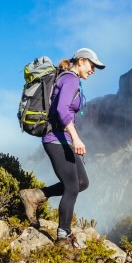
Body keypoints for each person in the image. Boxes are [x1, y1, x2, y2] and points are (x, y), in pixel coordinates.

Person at [19, 47, 105, 247]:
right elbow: (60, 109)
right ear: (81, 61)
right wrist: (76, 138)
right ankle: (62, 237)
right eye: (92, 65)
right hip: (56, 139)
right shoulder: (70, 79)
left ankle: (35, 195)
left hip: (64, 138)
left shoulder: (72, 80)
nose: (93, 70)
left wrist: (73, 137)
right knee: (72, 187)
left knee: (82, 182)